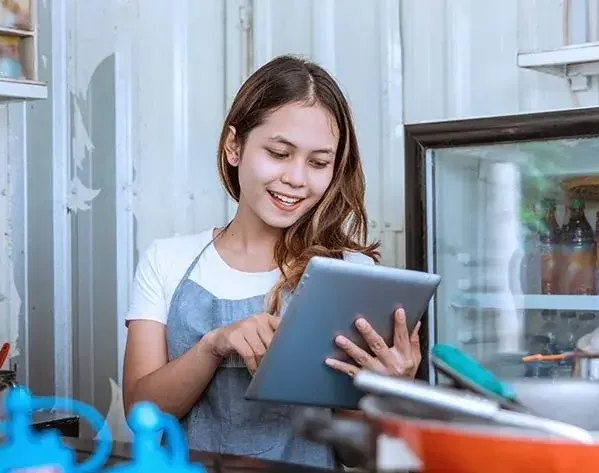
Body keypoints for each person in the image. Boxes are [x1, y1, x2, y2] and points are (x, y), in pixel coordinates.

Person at [121, 55, 422, 469]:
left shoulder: (350, 274)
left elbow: (358, 455)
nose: (297, 178)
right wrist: (213, 345)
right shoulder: (167, 260)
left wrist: (389, 394)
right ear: (234, 146)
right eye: (279, 153)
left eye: (318, 163)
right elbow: (140, 414)